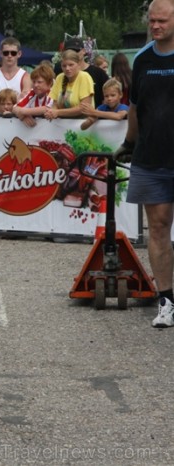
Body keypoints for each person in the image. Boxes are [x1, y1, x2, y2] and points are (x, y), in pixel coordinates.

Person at [114, 0, 174, 328]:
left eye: (162, 20)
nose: (155, 26)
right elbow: (135, 108)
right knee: (159, 227)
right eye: (152, 20)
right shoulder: (142, 59)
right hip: (152, 158)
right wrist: (129, 142)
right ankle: (167, 300)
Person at [0, 37, 32, 113]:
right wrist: (15, 109)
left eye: (13, 53)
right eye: (6, 53)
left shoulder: (26, 77)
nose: (9, 56)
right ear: (0, 53)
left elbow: (28, 103)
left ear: (19, 54)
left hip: (19, 123)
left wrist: (1, 108)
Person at [44, 50, 94, 120]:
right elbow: (54, 104)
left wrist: (58, 112)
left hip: (81, 123)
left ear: (79, 64)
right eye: (64, 66)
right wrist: (51, 112)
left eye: (71, 65)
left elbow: (83, 108)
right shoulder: (59, 77)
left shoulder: (84, 77)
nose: (67, 68)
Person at [62, 37, 109, 108]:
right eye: (70, 51)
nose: (73, 54)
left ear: (84, 51)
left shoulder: (98, 73)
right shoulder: (62, 74)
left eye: (76, 50)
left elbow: (110, 96)